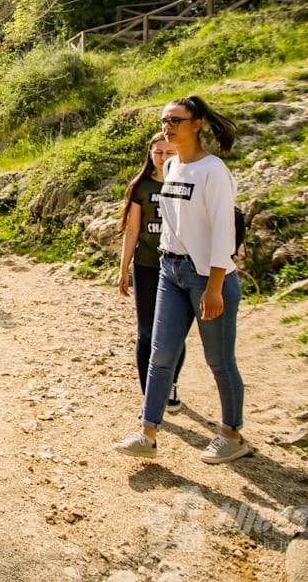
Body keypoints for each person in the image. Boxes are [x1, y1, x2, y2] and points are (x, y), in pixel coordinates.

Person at [114, 96, 252, 465]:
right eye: (164, 120)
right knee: (160, 355)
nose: (168, 126)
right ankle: (148, 432)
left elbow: (224, 232)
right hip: (169, 271)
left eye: (176, 120)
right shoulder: (172, 165)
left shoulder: (213, 171)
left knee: (219, 360)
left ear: (197, 124)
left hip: (207, 275)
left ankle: (232, 433)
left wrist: (214, 286)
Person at [118, 133, 186, 411]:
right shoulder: (142, 187)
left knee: (175, 334)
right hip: (146, 267)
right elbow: (132, 230)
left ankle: (169, 384)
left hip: (180, 267)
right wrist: (123, 269)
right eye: (157, 152)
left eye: (169, 152)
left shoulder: (186, 184)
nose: (162, 158)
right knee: (147, 332)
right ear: (149, 155)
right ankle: (149, 395)